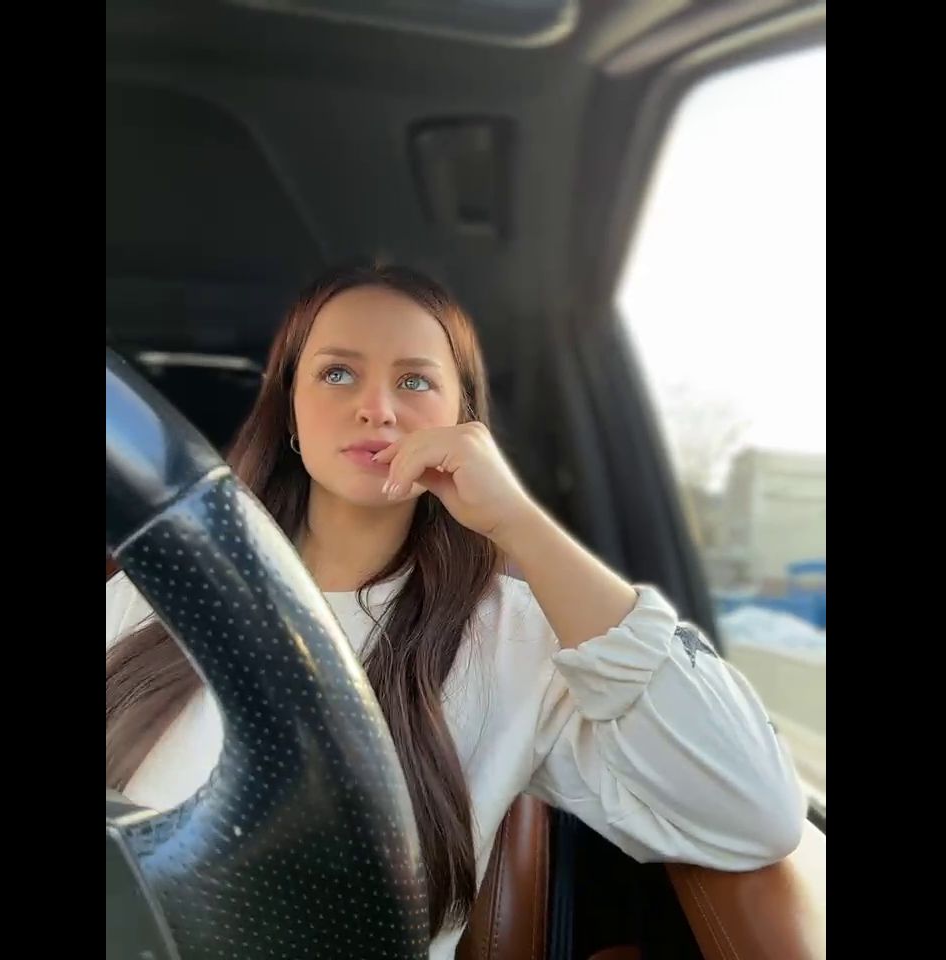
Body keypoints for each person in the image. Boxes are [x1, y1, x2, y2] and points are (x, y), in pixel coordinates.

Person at [106, 262, 805, 959]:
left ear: (463, 421)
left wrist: (519, 522)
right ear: (290, 409)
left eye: (415, 381)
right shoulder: (160, 585)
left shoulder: (513, 639)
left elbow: (755, 811)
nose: (377, 408)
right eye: (338, 373)